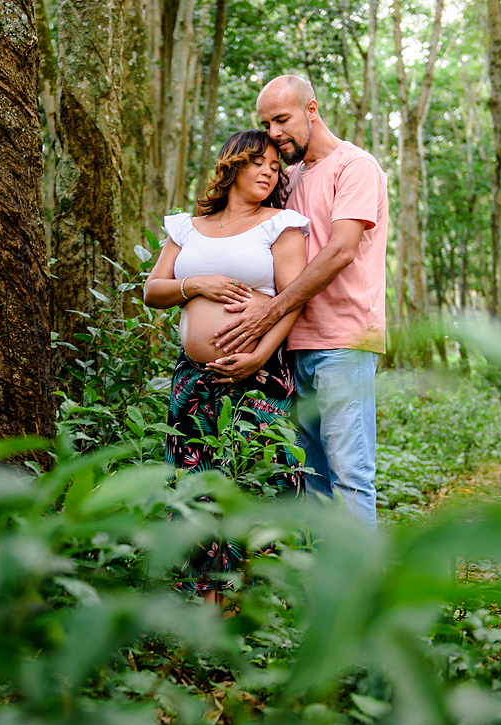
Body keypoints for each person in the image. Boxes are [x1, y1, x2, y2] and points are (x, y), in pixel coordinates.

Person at [212, 75, 388, 530]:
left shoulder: (355, 166)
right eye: (266, 123)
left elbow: (340, 250)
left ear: (312, 110)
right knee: (314, 481)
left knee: (351, 475)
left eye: (282, 119)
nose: (274, 133)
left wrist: (268, 310)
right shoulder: (286, 178)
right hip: (294, 345)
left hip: (344, 342)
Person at [142, 129, 310, 601]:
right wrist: (196, 284)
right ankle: (202, 600)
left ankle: (251, 601)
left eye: (276, 168)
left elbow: (292, 301)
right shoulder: (188, 227)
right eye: (260, 162)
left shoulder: (282, 224)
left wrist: (258, 355)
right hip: (194, 380)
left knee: (258, 478)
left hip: (257, 377)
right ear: (233, 163)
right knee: (196, 482)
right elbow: (153, 290)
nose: (268, 172)